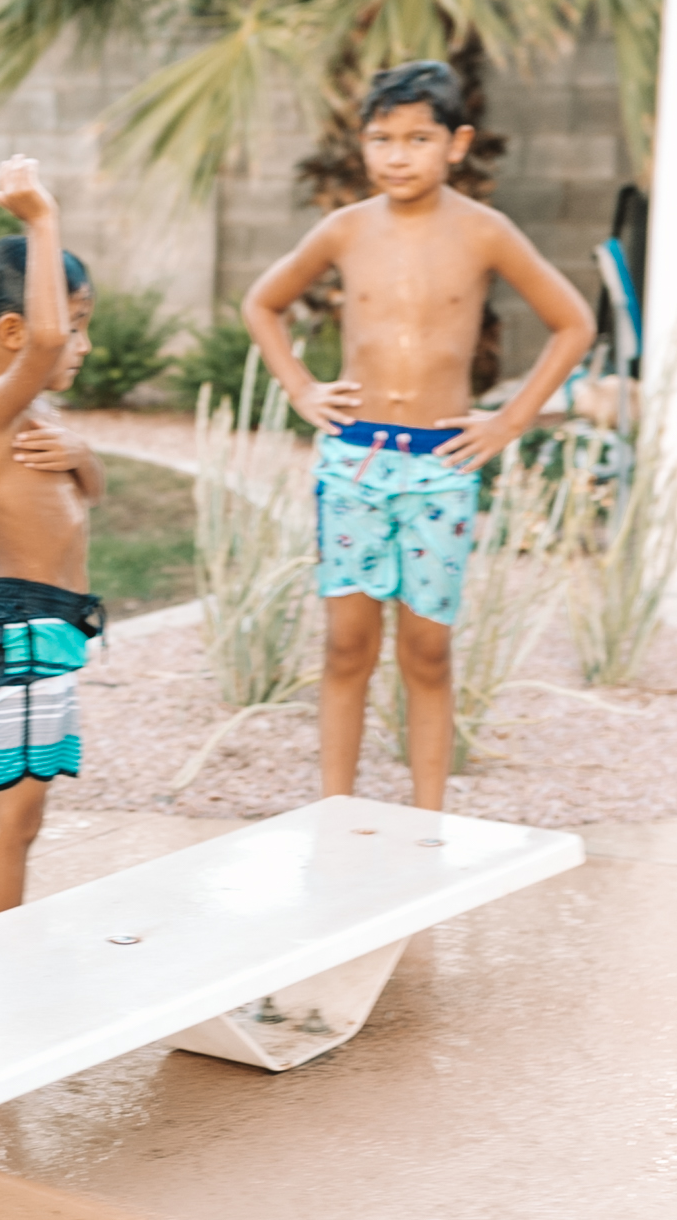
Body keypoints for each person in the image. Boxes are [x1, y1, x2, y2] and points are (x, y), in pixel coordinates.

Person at [242, 58, 594, 811]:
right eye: (382, 139)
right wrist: (301, 386)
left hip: (441, 467)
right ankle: (335, 809)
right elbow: (261, 303)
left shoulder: (486, 233)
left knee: (427, 650)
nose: (398, 156)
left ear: (457, 144)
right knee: (346, 646)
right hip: (355, 462)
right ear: (362, 144)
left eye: (418, 139)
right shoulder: (344, 230)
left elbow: (574, 322)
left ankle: (428, 822)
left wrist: (509, 421)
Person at [0, 159, 105, 922]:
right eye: (76, 323)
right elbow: (45, 345)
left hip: (48, 627)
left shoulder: (37, 420)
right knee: (13, 819)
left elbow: (90, 497)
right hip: (26, 628)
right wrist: (42, 222)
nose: (77, 343)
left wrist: (85, 458)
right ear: (14, 332)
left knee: (3, 810)